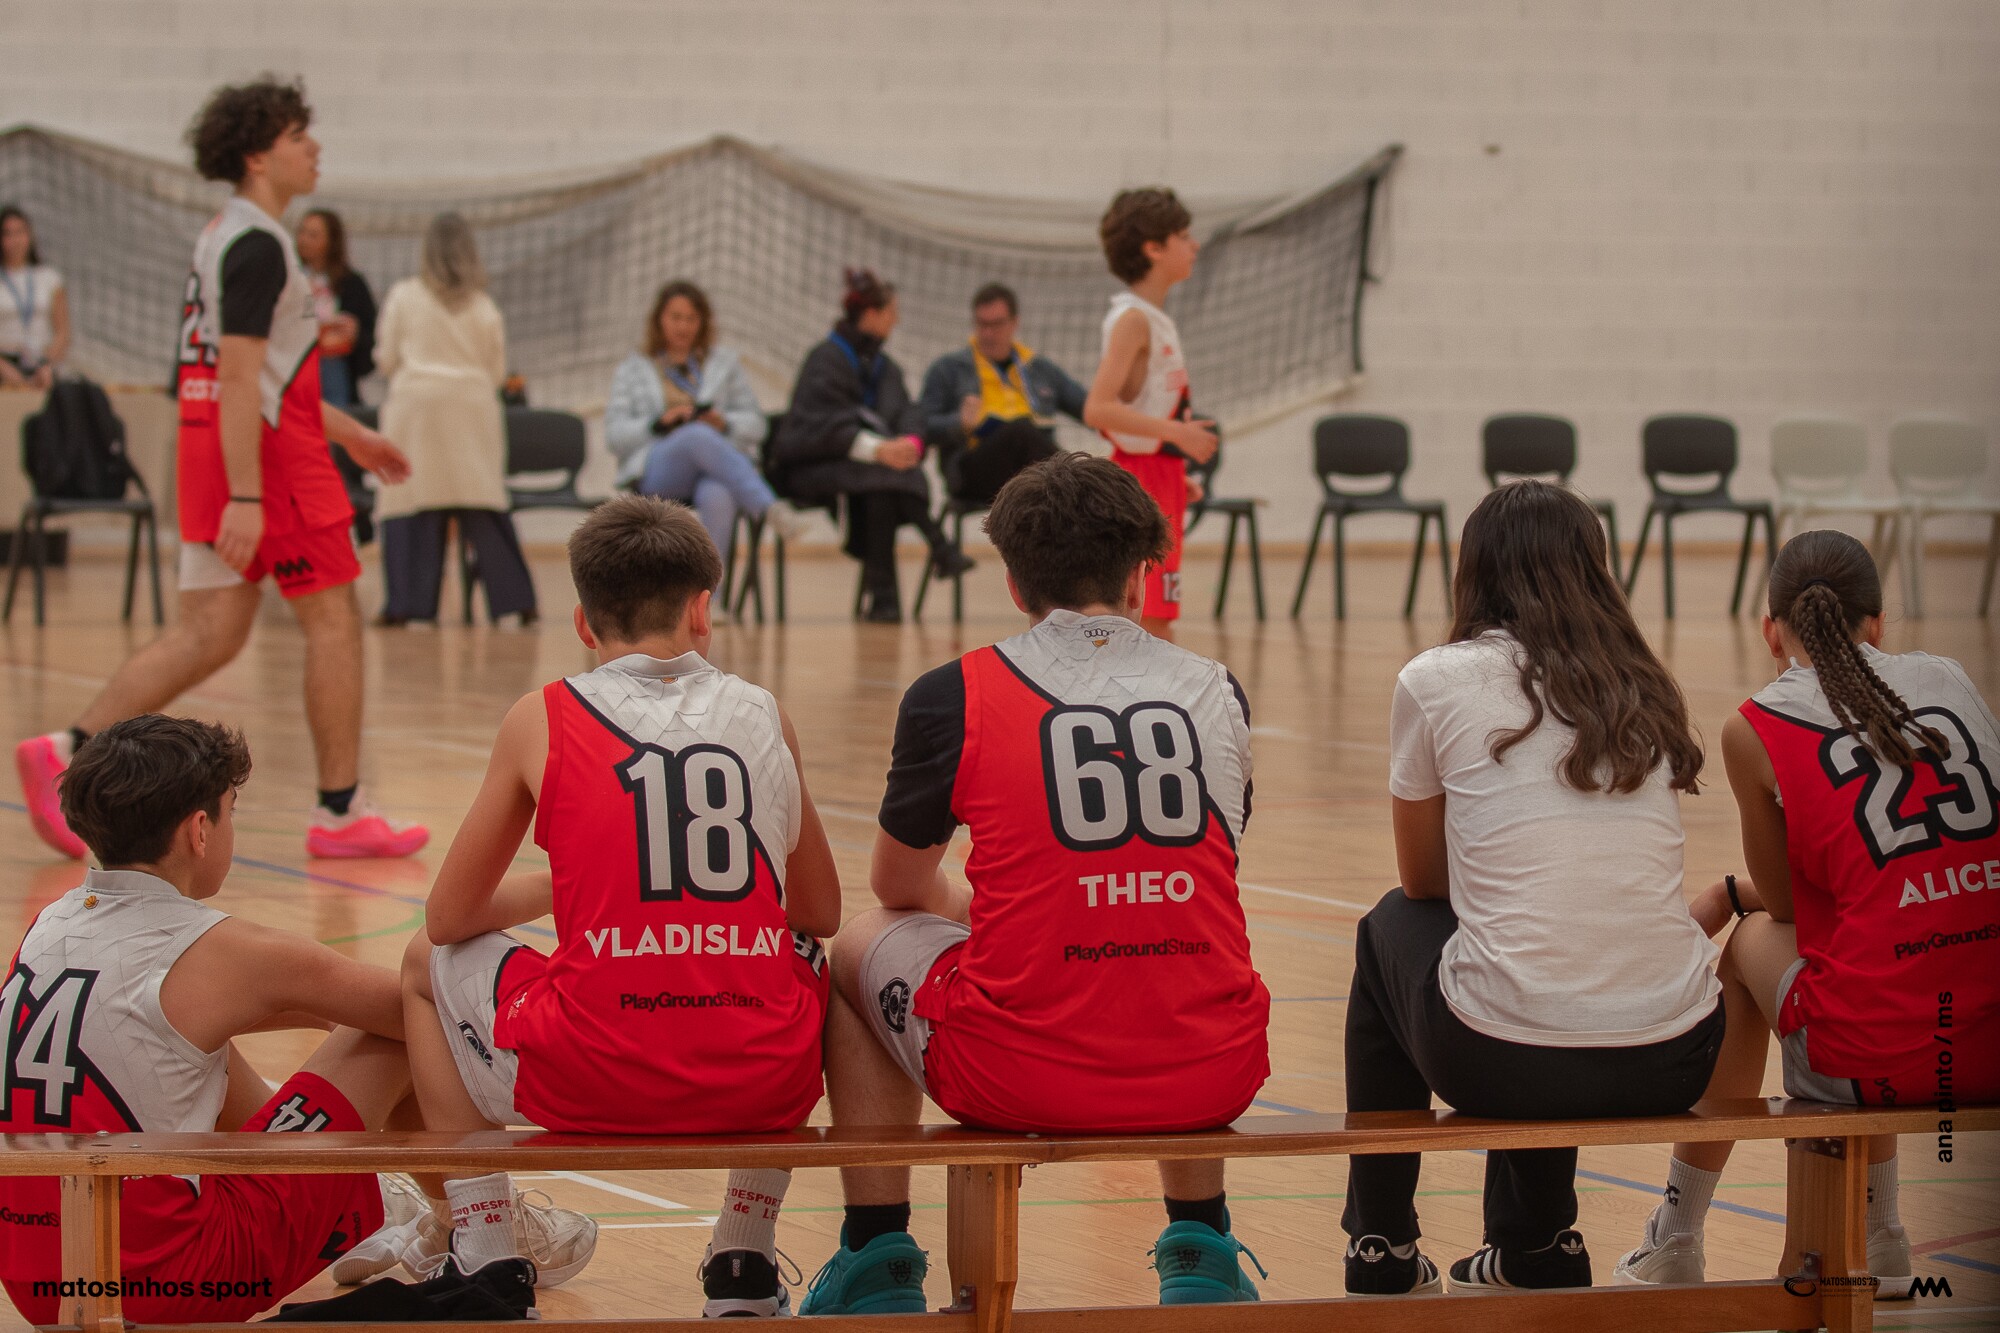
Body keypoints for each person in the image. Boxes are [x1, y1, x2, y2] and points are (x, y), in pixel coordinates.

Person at [799, 453, 1271, 1314]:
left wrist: (983, 909)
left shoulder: (953, 693)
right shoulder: (1218, 688)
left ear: (1014, 584)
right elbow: (1211, 867)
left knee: (858, 941)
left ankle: (876, 1252)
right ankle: (1201, 1242)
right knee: (1180, 947)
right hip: (1216, 1069)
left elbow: (897, 883)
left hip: (1018, 1074)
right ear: (1142, 575)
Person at [394, 495, 842, 1317]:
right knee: (813, 957)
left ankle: (488, 1252)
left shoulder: (541, 715)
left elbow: (447, 919)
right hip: (757, 1080)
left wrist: (568, 883)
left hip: (586, 1075)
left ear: (582, 622)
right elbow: (820, 909)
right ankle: (743, 1253)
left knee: (425, 962)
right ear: (702, 611)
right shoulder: (763, 711)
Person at [12, 77, 427, 861]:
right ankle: (341, 811)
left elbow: (259, 377)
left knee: (211, 632)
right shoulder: (260, 245)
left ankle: (69, 748)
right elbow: (242, 377)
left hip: (214, 445)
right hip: (266, 462)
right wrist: (247, 495)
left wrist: (351, 435)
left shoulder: (223, 235)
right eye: (299, 136)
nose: (315, 148)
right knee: (334, 619)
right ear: (258, 156)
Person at [1342, 480, 1724, 1296]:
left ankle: (1382, 1245)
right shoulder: (1642, 684)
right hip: (1679, 1050)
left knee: (1390, 926)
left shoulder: (1435, 677)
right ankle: (1538, 1246)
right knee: (1543, 946)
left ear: (1473, 571)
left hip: (1500, 1059)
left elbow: (1422, 881)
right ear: (1596, 571)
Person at [1615, 528, 2000, 1298]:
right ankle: (1883, 1235)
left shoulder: (1755, 724)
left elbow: (1789, 904)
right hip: (1988, 1034)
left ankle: (1676, 1235)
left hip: (1881, 1055)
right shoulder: (1950, 678)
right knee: (1897, 943)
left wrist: (1730, 895)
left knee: (1752, 948)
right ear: (1877, 622)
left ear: (1770, 630)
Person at [0, 716, 415, 1323]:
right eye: (230, 812)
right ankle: (469, 1227)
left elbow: (176, 1013)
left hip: (39, 1283)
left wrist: (319, 1013)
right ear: (200, 830)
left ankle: (370, 1202)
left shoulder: (49, 922)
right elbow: (418, 1012)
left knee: (189, 1050)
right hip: (165, 1286)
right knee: (394, 1035)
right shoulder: (220, 948)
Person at [773, 268, 972, 623]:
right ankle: (937, 546)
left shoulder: (884, 366)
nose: (896, 320)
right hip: (807, 466)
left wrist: (911, 442)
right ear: (870, 314)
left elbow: (909, 412)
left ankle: (885, 603)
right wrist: (878, 450)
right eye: (891, 312)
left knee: (881, 486)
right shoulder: (825, 359)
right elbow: (817, 426)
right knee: (885, 476)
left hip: (865, 472)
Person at [372, 212, 537, 627]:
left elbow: (387, 359)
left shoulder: (403, 296)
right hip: (472, 408)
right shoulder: (484, 306)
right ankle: (517, 602)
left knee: (410, 503)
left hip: (416, 408)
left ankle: (407, 605)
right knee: (484, 504)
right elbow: (497, 372)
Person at [1083, 188, 1219, 640]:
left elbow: (1139, 406)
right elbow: (1098, 408)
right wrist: (1175, 435)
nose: (1194, 245)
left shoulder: (1153, 318)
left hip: (1157, 473)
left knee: (1156, 613)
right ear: (1154, 248)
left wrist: (1172, 466)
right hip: (1142, 475)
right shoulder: (1133, 320)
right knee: (1150, 617)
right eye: (1184, 236)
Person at [605, 279, 806, 565]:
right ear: (659, 319)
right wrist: (657, 424)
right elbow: (614, 436)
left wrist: (724, 424)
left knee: (718, 494)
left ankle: (710, 590)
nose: (683, 326)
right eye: (676, 317)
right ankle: (768, 506)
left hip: (713, 468)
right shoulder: (633, 369)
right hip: (655, 471)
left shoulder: (725, 365)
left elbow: (758, 426)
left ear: (702, 323)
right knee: (696, 435)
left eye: (691, 319)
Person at [916, 281, 1086, 505]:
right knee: (1020, 432)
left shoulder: (1039, 369)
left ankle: (1074, 483)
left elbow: (1087, 408)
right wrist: (959, 423)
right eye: (982, 324)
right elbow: (920, 426)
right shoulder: (948, 369)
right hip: (974, 471)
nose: (988, 333)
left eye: (996, 324)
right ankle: (1076, 486)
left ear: (1015, 323)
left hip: (1034, 464)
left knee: (1029, 438)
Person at [294, 207, 376, 407]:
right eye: (302, 232)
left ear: (331, 241)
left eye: (313, 235)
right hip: (297, 365)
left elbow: (371, 333)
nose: (304, 240)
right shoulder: (289, 278)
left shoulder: (351, 283)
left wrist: (354, 333)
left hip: (334, 366)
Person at [0, 205, 70, 389]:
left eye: (20, 232)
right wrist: (7, 372)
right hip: (5, 364)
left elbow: (63, 332)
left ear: (29, 236)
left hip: (41, 361)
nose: (15, 240)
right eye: (7, 234)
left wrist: (47, 365)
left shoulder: (50, 278)